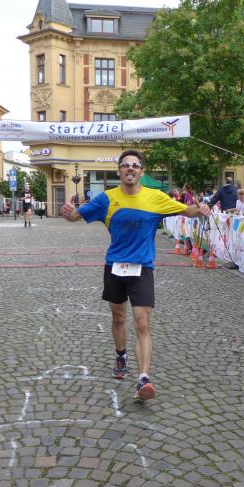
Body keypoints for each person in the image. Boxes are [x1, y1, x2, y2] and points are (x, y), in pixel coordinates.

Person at [60, 149, 211, 401]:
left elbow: (187, 211)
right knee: (119, 318)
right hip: (114, 266)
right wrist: (67, 213)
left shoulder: (156, 197)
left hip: (142, 267)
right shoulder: (106, 199)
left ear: (141, 171)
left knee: (142, 322)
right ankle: (121, 355)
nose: (130, 168)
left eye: (135, 165)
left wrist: (201, 208)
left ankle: (143, 378)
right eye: (125, 165)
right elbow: (75, 216)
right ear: (119, 171)